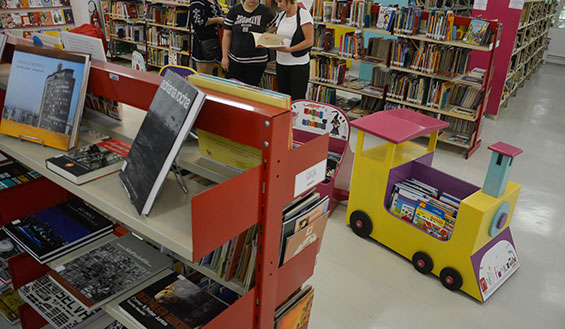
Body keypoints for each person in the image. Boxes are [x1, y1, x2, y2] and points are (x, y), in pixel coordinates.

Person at [222, 0, 276, 86]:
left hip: (257, 61)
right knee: (232, 89)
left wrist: (266, 33)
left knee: (252, 91)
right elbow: (226, 35)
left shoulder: (266, 11)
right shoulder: (234, 10)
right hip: (235, 59)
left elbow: (278, 23)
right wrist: (224, 57)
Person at [272, 0, 314, 100]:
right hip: (281, 63)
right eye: (277, 2)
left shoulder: (304, 15)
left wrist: (290, 49)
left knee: (297, 99)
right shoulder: (281, 16)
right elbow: (278, 34)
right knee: (283, 98)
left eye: (280, 2)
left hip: (298, 65)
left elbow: (309, 41)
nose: (279, 5)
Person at [190, 0, 225, 74]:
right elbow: (197, 21)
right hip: (203, 42)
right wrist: (217, 20)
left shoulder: (214, 1)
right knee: (203, 74)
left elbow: (219, 14)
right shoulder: (197, 2)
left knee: (210, 73)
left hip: (214, 42)